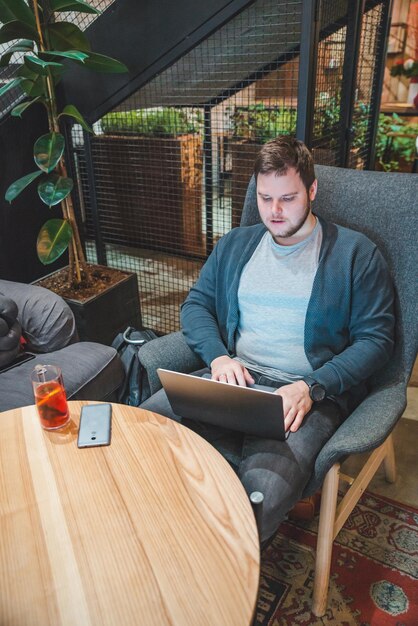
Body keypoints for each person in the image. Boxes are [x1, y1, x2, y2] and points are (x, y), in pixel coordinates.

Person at [141, 136, 395, 544]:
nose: (274, 212)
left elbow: (378, 341)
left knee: (256, 502)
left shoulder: (355, 254)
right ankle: (157, 543)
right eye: (264, 198)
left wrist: (312, 387)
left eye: (288, 198)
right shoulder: (236, 245)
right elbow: (196, 307)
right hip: (231, 380)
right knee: (139, 437)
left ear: (312, 191)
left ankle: (218, 575)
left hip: (303, 397)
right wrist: (220, 358)